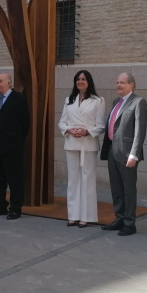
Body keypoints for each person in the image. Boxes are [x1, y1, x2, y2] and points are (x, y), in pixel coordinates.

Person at [100, 72, 147, 236]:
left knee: (128, 188)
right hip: (113, 150)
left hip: (128, 153)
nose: (118, 85)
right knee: (116, 187)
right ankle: (119, 218)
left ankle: (129, 223)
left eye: (122, 83)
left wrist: (134, 154)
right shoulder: (115, 102)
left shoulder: (138, 102)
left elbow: (139, 132)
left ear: (131, 85)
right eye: (117, 82)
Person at [57, 70, 106, 227]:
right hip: (71, 144)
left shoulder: (98, 101)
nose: (80, 81)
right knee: (73, 180)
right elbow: (62, 122)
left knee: (87, 180)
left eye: (83, 79)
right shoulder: (69, 100)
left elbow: (101, 125)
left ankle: (86, 216)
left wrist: (87, 131)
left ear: (89, 81)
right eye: (78, 79)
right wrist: (69, 130)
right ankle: (73, 215)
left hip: (88, 145)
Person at [0, 73, 29, 219]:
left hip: (12, 147)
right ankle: (0, 206)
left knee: (15, 179)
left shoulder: (18, 99)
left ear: (9, 83)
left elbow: (25, 123)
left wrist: (16, 141)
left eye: (0, 81)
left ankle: (15, 208)